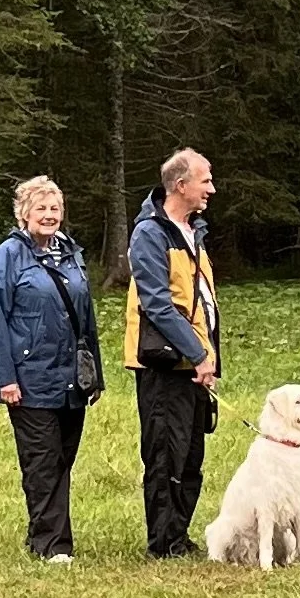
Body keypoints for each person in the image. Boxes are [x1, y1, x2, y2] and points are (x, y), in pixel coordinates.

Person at [0, 173, 103, 563]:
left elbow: (86, 318)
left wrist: (93, 374)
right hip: (30, 379)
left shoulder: (71, 253)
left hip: (71, 379)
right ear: (23, 213)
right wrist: (5, 379)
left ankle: (41, 534)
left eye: (55, 209)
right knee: (42, 461)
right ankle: (53, 546)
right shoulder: (8, 255)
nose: (49, 216)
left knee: (63, 458)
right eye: (41, 209)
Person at [125, 147, 220, 558]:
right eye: (205, 180)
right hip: (165, 365)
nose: (211, 189)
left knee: (191, 455)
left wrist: (207, 357)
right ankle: (162, 543)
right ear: (180, 185)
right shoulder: (150, 233)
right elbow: (158, 304)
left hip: (195, 365)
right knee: (165, 455)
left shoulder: (193, 233)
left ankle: (179, 536)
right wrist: (198, 353)